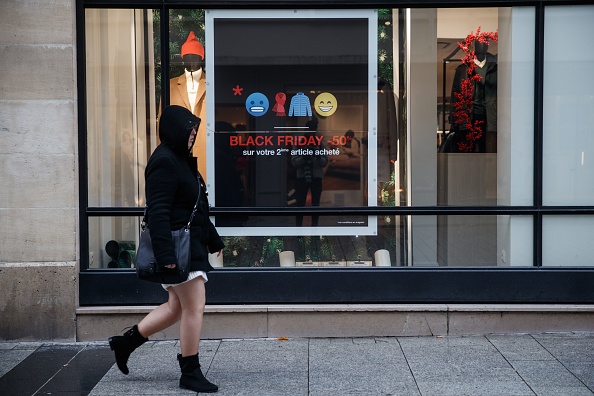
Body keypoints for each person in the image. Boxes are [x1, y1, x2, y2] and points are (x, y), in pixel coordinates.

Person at [108, 105, 224, 393]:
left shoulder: (182, 159)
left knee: (175, 308)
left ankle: (125, 343)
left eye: (196, 129)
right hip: (176, 250)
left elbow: (195, 207)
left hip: (188, 246)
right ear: (175, 129)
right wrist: (166, 257)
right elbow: (158, 212)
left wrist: (214, 240)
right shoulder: (164, 161)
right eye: (189, 128)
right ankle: (190, 371)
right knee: (195, 306)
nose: (193, 133)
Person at [291, 118, 328, 226]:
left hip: (315, 176)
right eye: (310, 130)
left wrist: (317, 156)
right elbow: (294, 162)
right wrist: (303, 158)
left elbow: (324, 162)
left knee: (315, 204)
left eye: (313, 130)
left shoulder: (320, 144)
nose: (312, 132)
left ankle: (313, 228)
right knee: (300, 204)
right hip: (302, 176)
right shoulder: (299, 143)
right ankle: (299, 229)